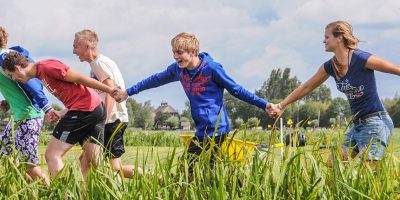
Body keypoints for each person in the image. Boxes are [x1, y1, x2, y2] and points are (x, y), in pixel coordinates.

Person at [113, 32, 272, 172]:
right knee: (203, 170)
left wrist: (264, 105)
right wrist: (128, 92)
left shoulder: (212, 69)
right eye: (173, 52)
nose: (175, 56)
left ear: (193, 52)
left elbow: (237, 90)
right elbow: (154, 80)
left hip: (216, 129)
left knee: (190, 169)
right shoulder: (178, 70)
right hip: (202, 128)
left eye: (179, 52)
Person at [269, 21, 398, 161]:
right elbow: (306, 87)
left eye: (327, 37)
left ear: (339, 37)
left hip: (375, 122)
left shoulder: (360, 58)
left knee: (368, 174)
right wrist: (281, 105)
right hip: (357, 124)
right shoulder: (330, 66)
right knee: (333, 163)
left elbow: (396, 69)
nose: (323, 40)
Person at [2, 51, 114, 178]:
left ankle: (62, 195)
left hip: (85, 110)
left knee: (52, 155)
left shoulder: (47, 67)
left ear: (17, 69)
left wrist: (110, 90)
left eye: (11, 75)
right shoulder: (40, 73)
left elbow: (80, 78)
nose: (14, 79)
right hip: (94, 109)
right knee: (92, 161)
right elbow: (79, 95)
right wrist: (61, 113)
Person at [73, 29, 142, 178]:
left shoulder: (99, 64)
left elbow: (111, 92)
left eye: (76, 46)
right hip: (112, 119)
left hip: (113, 120)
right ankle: (88, 192)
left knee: (115, 167)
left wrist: (102, 121)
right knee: (86, 159)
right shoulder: (96, 64)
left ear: (87, 46)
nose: (74, 51)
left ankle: (155, 179)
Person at [0, 26, 51, 185]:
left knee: (28, 165)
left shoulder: (3, 58)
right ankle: (31, 190)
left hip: (29, 116)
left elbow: (31, 82)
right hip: (19, 116)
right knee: (4, 155)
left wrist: (46, 107)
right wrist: (8, 102)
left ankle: (54, 192)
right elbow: (16, 85)